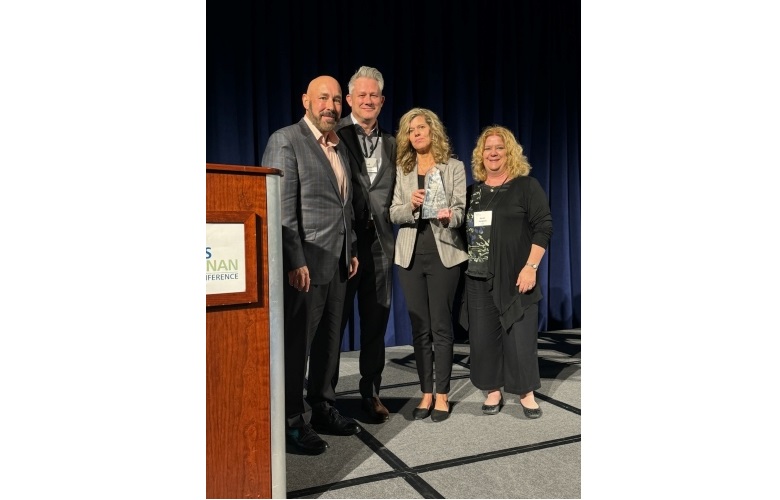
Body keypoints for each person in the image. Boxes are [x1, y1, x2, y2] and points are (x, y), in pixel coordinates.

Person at [261, 75, 361, 455]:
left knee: (328, 344)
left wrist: (350, 248)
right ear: (306, 100)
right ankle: (290, 422)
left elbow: (343, 205)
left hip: (337, 263)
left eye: (336, 100)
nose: (330, 106)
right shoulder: (286, 140)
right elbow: (280, 208)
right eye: (323, 98)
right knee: (295, 347)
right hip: (303, 267)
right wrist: (293, 259)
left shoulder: (339, 147)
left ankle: (323, 407)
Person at [460, 125, 553, 419]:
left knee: (519, 334)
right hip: (477, 275)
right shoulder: (472, 193)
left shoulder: (526, 186)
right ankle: (493, 389)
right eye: (488, 148)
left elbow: (544, 227)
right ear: (480, 155)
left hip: (516, 274)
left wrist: (531, 266)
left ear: (509, 152)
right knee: (484, 337)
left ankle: (526, 392)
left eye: (499, 147)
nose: (493, 153)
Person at [389, 108, 468, 423]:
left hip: (443, 254)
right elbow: (393, 213)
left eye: (421, 127)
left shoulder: (454, 167)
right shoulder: (402, 169)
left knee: (441, 325)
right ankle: (425, 392)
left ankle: (443, 395)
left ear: (433, 130)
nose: (416, 134)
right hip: (409, 255)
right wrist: (411, 205)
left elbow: (462, 211)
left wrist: (450, 215)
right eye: (410, 130)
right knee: (419, 327)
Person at [335, 66, 397, 423]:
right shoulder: (334, 134)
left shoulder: (393, 142)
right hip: (343, 244)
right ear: (350, 100)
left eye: (374, 95)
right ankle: (323, 397)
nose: (368, 100)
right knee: (334, 324)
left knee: (376, 324)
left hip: (380, 247)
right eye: (362, 95)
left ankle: (371, 392)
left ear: (382, 100)